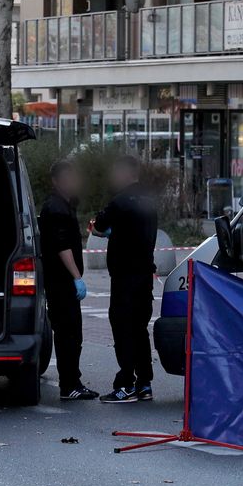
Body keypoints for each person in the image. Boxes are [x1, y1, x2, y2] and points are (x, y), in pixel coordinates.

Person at [93, 155, 158, 404]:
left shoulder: (119, 201)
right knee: (140, 329)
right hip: (145, 274)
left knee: (122, 328)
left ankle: (126, 384)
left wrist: (111, 231)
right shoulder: (149, 200)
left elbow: (99, 225)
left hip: (124, 275)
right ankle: (144, 383)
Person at [38, 159, 98, 401]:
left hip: (62, 281)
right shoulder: (56, 207)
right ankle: (69, 384)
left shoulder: (64, 204)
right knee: (68, 334)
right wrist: (76, 277)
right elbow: (62, 247)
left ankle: (73, 381)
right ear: (56, 181)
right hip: (61, 282)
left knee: (72, 334)